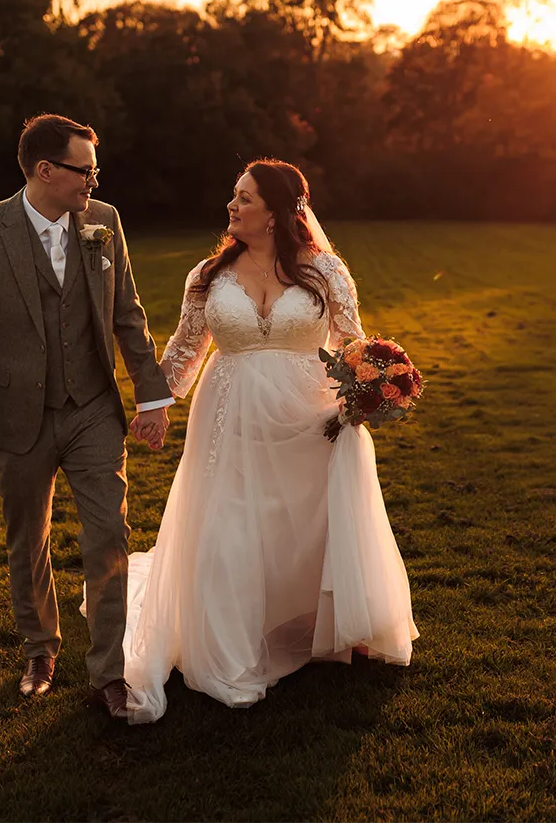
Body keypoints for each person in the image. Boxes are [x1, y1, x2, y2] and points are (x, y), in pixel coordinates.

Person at [109, 158, 419, 723]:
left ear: (276, 213)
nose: (232, 206)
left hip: (312, 419)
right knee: (230, 523)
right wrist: (156, 404)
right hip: (230, 416)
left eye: (245, 198)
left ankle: (321, 627)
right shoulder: (207, 275)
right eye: (234, 196)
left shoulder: (326, 273)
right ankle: (229, 647)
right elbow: (184, 350)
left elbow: (355, 345)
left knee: (307, 525)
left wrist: (377, 387)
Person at [0, 114, 173, 719]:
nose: (94, 181)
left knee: (108, 537)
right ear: (45, 170)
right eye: (85, 170)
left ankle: (108, 673)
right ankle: (40, 649)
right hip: (17, 416)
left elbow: (127, 311)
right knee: (30, 539)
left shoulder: (104, 222)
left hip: (95, 407)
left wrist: (152, 396)